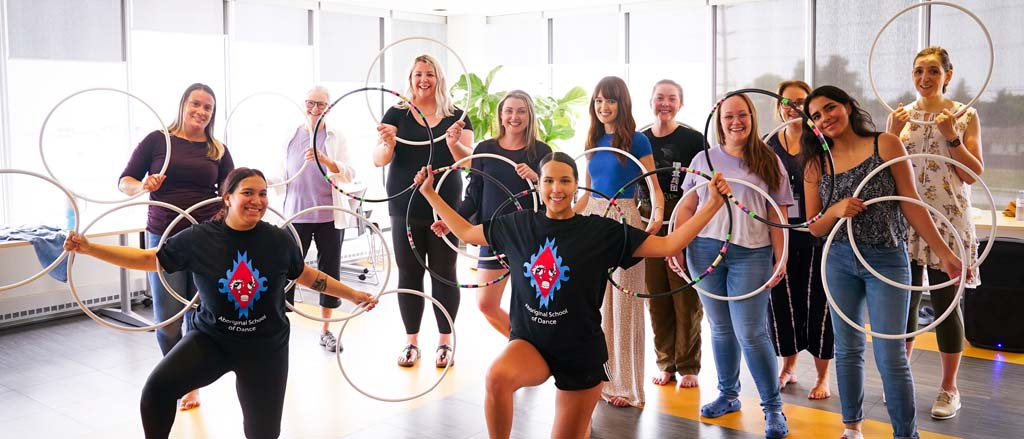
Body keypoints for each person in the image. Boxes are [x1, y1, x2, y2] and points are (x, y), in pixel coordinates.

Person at [413, 152, 730, 439]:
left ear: (577, 185)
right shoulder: (517, 225)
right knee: (496, 377)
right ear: (539, 185)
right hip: (531, 344)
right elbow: (468, 233)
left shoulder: (600, 232)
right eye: (549, 180)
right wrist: (429, 193)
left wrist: (713, 204)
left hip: (580, 354)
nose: (556, 188)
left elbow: (667, 246)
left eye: (565, 180)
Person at [66, 167, 377, 439]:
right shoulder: (199, 238)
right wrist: (91, 248)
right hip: (213, 340)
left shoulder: (279, 239)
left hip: (266, 347)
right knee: (156, 390)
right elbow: (151, 259)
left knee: (264, 433)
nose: (257, 201)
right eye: (247, 193)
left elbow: (307, 275)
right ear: (227, 197)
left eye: (263, 194)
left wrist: (354, 295)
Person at [802, 85, 963, 439]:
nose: (825, 118)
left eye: (830, 108)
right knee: (848, 350)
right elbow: (814, 227)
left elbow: (912, 203)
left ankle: (906, 434)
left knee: (891, 355)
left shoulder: (885, 144)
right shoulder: (815, 163)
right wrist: (835, 211)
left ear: (847, 106)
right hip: (839, 259)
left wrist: (948, 255)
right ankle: (852, 428)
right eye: (816, 115)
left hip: (888, 258)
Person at [677, 93, 792, 438]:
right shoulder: (703, 158)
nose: (736, 122)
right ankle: (728, 395)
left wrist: (780, 255)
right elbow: (686, 206)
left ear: (752, 118)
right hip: (704, 249)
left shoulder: (769, 160)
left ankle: (773, 409)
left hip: (751, 252)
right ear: (719, 121)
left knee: (752, 332)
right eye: (729, 116)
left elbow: (777, 212)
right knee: (720, 327)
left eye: (742, 115)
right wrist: (677, 244)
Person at [118, 83, 234, 410]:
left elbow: (231, 189)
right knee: (168, 322)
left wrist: (227, 215)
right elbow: (124, 180)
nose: (200, 111)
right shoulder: (158, 141)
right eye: (195, 104)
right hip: (164, 236)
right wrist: (143, 185)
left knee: (199, 315)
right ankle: (178, 375)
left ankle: (191, 384)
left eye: (207, 107)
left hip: (205, 239)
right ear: (183, 104)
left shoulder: (217, 149)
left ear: (212, 114)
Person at [887, 46, 984, 421]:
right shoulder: (901, 117)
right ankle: (901, 379)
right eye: (918, 71)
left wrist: (952, 137)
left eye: (931, 71)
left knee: (946, 306)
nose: (924, 78)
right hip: (905, 221)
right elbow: (885, 171)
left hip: (950, 223)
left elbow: (972, 175)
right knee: (904, 303)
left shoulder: (964, 115)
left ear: (948, 73)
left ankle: (949, 388)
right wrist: (891, 133)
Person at [373, 54, 474, 368]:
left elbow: (470, 161)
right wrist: (387, 143)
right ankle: (411, 342)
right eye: (418, 74)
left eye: (429, 74)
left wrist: (455, 141)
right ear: (411, 78)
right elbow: (379, 158)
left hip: (445, 206)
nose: (423, 80)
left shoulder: (457, 116)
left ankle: (445, 343)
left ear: (439, 78)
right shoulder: (397, 113)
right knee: (409, 274)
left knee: (445, 274)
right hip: (404, 204)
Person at [574, 76, 664, 408]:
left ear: (621, 103)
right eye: (598, 101)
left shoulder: (637, 141)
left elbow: (652, 186)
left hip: (625, 218)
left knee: (625, 308)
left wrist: (656, 217)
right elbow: (586, 193)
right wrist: (565, 216)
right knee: (596, 307)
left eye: (609, 100)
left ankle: (627, 387)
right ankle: (602, 379)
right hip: (592, 220)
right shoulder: (593, 139)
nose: (603, 107)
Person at [432, 90, 552, 337]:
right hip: (493, 237)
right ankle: (524, 344)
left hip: (530, 239)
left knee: (534, 308)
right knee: (486, 304)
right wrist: (451, 221)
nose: (514, 117)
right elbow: (474, 196)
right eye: (508, 111)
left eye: (521, 111)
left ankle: (534, 349)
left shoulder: (541, 152)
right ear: (500, 115)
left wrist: (538, 179)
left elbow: (556, 196)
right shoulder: (485, 149)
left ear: (529, 115)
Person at [764, 80, 834, 400]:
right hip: (780, 234)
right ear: (778, 106)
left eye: (800, 102)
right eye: (787, 101)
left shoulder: (820, 142)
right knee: (782, 303)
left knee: (819, 304)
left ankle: (822, 376)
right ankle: (788, 366)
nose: (793, 107)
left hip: (817, 234)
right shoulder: (768, 145)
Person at [274, 85, 357, 352]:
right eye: (310, 103)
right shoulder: (289, 135)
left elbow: (349, 174)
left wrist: (326, 161)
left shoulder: (335, 137)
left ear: (329, 108)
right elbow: (281, 175)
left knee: (328, 272)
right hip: (296, 214)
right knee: (286, 270)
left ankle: (326, 330)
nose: (315, 109)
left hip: (329, 216)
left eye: (321, 105)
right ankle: (279, 328)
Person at [639, 79, 707, 389]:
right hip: (647, 226)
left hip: (683, 223)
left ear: (680, 103)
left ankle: (689, 365)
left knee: (686, 297)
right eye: (659, 97)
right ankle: (665, 362)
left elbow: (704, 185)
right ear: (650, 101)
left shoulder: (693, 139)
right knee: (657, 297)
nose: (665, 103)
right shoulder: (639, 139)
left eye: (671, 98)